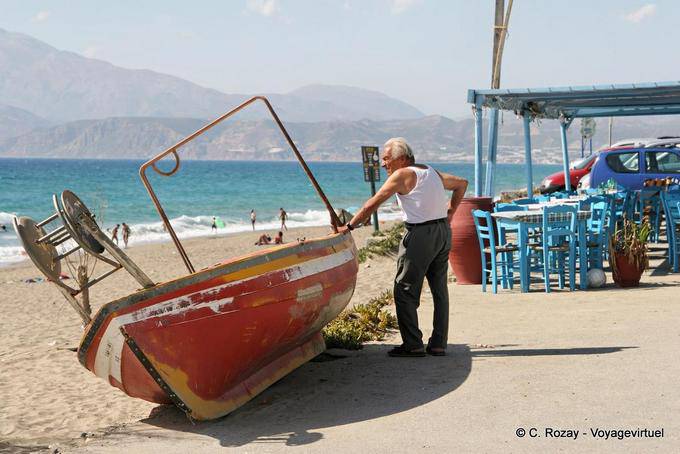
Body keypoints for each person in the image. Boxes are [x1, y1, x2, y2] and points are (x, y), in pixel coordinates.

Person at [340, 137, 468, 358]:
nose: (383, 164)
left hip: (420, 235)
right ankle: (438, 344)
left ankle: (413, 344)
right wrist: (450, 212)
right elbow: (462, 184)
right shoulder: (431, 172)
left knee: (404, 289)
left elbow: (373, 203)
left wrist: (349, 226)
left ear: (402, 158)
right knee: (439, 290)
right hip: (442, 233)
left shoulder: (402, 174)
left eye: (387, 158)